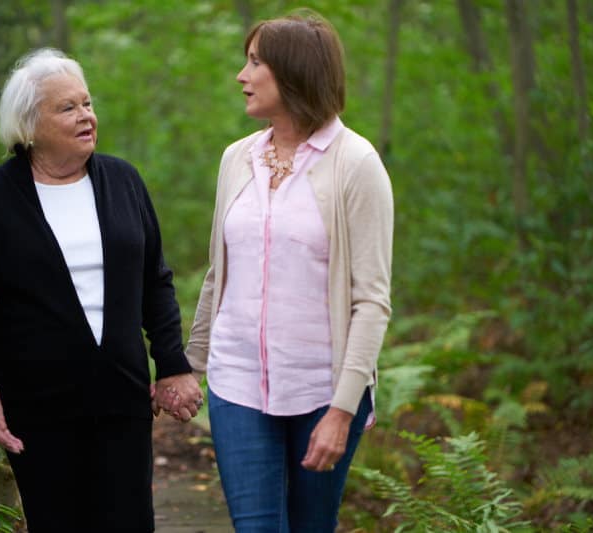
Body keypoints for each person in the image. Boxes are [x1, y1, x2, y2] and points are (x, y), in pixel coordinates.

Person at [0, 48, 202, 533]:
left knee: (129, 521)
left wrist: (171, 363)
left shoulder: (123, 180)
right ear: (28, 124)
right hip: (36, 401)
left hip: (122, 395)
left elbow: (156, 279)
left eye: (87, 103)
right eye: (67, 108)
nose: (86, 116)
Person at [185, 11, 394, 532]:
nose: (242, 75)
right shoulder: (237, 158)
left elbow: (371, 299)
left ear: (294, 74)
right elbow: (219, 274)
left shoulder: (356, 164)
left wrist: (343, 410)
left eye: (256, 62)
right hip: (237, 386)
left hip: (321, 392)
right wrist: (189, 364)